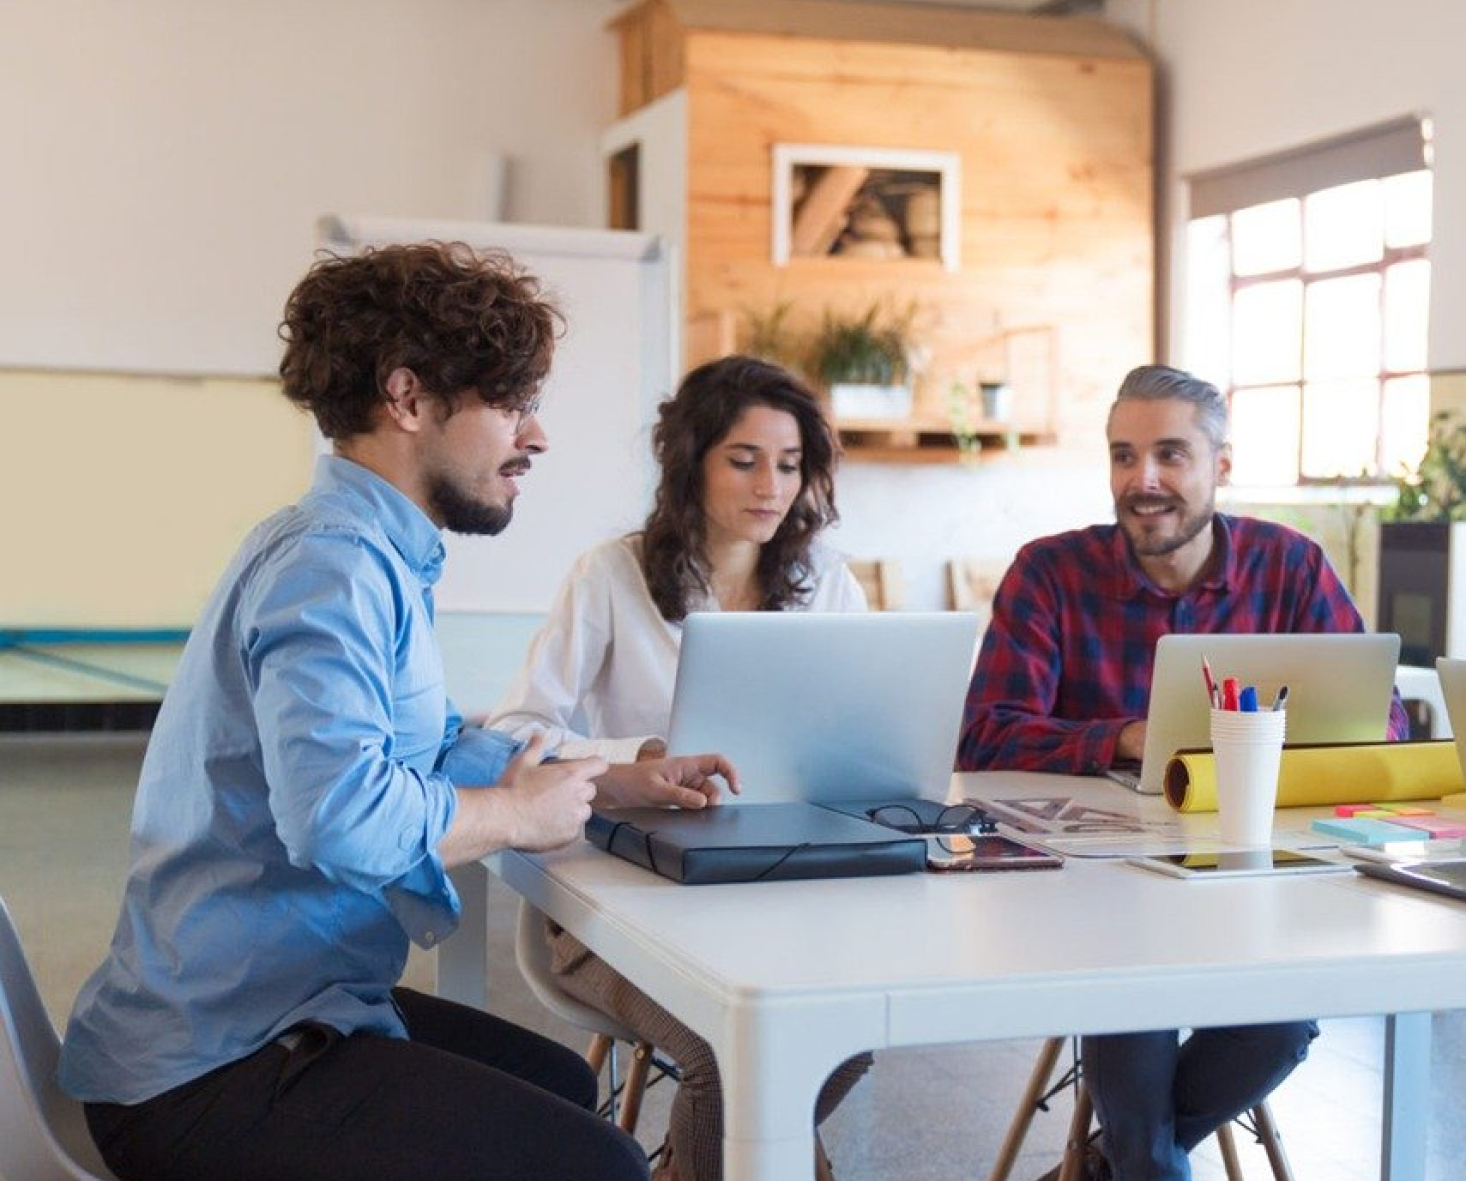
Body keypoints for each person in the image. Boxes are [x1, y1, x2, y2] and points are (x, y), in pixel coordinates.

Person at [59, 242, 738, 1181]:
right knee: (603, 1167)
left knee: (559, 1084)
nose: (535, 438)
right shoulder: (331, 566)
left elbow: (430, 747)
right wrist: (512, 814)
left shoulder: (360, 551)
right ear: (409, 399)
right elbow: (341, 817)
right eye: (510, 405)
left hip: (284, 1009)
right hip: (213, 1065)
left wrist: (604, 777)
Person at [959, 364, 1405, 1181]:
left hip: (1251, 887)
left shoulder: (1291, 569)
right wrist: (1126, 737)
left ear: (1221, 466)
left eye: (1170, 454)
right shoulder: (1050, 573)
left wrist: (1273, 739)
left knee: (1281, 1023)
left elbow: (1383, 723)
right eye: (1124, 457)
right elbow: (985, 736)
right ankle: (1138, 1165)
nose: (1144, 480)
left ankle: (1111, 1167)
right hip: (1093, 898)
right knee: (1132, 1003)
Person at [486, 354, 872, 1181]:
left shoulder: (827, 584)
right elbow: (517, 727)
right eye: (744, 459)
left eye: (790, 464)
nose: (772, 485)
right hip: (622, 889)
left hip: (782, 891)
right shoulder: (611, 575)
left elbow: (860, 737)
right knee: (729, 1053)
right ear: (689, 461)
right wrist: (637, 758)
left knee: (848, 1039)